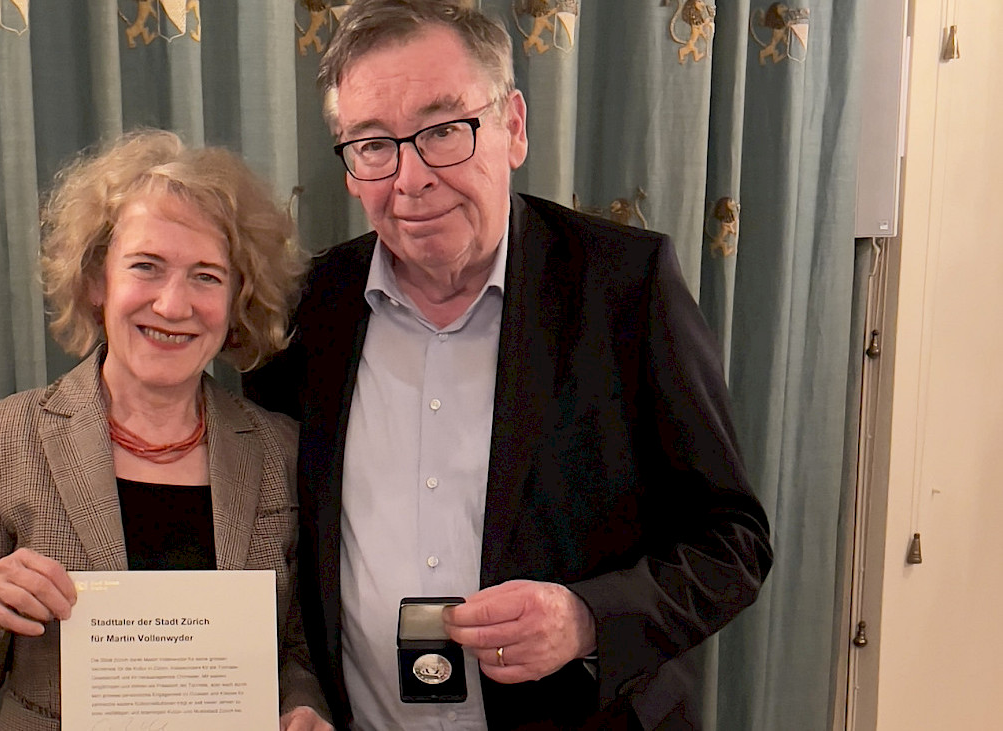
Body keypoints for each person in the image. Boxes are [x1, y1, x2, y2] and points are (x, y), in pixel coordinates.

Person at [243, 2, 773, 729]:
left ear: (513, 126)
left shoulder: (624, 287)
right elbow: (268, 545)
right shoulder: (307, 311)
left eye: (443, 130)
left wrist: (586, 617)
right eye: (373, 144)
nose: (411, 178)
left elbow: (732, 540)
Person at [0, 130, 333, 730]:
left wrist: (303, 706)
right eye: (146, 267)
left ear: (238, 298)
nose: (172, 305)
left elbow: (293, 647)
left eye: (207, 276)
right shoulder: (1, 437)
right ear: (97, 280)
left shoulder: (279, 449)